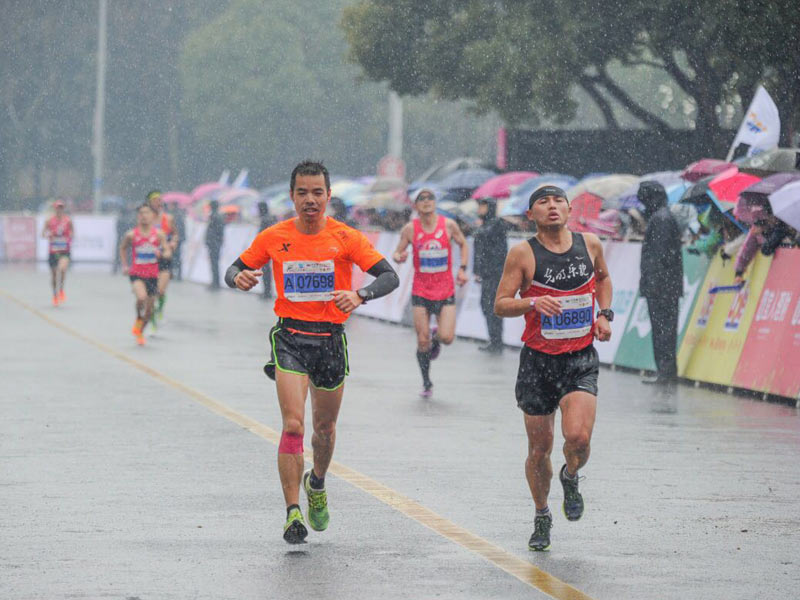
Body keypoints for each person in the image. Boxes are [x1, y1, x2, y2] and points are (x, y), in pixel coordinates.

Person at [224, 160, 399, 544]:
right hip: (289, 338)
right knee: (293, 425)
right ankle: (292, 513)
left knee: (324, 429)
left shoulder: (346, 237)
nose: (309, 200)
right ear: (292, 196)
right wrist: (239, 277)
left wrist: (360, 294)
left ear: (328, 196)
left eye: (317, 192)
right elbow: (234, 269)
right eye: (302, 192)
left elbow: (389, 276)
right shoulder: (274, 236)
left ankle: (316, 482)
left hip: (330, 340)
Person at [494, 185, 613, 552]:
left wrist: (604, 315)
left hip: (579, 358)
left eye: (558, 200)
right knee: (539, 448)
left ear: (569, 208)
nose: (551, 207)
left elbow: (604, 279)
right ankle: (542, 513)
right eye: (542, 203)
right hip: (538, 363)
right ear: (531, 214)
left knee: (578, 439)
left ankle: (571, 475)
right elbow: (500, 304)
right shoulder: (522, 254)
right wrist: (531, 303)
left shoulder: (590, 244)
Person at [392, 188, 469, 397]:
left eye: (430, 198)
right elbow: (397, 251)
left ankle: (437, 339)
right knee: (422, 340)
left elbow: (463, 244)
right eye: (421, 199)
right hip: (421, 290)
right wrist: (399, 256)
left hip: (445, 290)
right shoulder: (410, 229)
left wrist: (462, 269)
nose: (426, 202)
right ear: (416, 206)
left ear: (435, 203)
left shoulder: (449, 225)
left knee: (447, 338)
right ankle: (427, 382)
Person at [638, 181, 683, 385]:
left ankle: (666, 372)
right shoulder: (661, 217)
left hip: (662, 287)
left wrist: (653, 283)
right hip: (662, 285)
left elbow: (660, 255)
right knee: (663, 329)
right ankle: (664, 371)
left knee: (663, 329)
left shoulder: (661, 219)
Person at [119, 203, 172, 345]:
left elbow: (167, 251)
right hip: (137, 274)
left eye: (147, 213)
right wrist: (125, 265)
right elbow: (123, 248)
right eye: (141, 213)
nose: (144, 216)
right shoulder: (131, 235)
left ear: (152, 217)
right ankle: (138, 317)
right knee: (141, 298)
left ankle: (141, 331)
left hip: (152, 275)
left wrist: (162, 253)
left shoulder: (159, 235)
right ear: (138, 217)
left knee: (149, 310)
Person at [473, 197, 509, 353]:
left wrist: (478, 229)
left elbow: (485, 235)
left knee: (493, 307)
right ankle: (493, 339)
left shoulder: (496, 223)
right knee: (486, 306)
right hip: (487, 274)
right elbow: (479, 250)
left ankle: (497, 341)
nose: (480, 209)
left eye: (483, 206)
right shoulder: (485, 225)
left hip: (496, 274)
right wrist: (477, 270)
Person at [146, 190, 178, 324]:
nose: (158, 203)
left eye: (160, 200)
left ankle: (160, 310)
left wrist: (173, 243)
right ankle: (152, 320)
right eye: (155, 200)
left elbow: (175, 234)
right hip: (149, 260)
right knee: (150, 294)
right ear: (149, 203)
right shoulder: (145, 218)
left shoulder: (168, 218)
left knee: (160, 290)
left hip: (165, 259)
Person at [42, 198, 73, 306]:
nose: (59, 210)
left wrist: (69, 237)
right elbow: (43, 234)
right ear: (55, 209)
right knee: (54, 275)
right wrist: (49, 235)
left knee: (62, 269)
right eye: (57, 208)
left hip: (64, 250)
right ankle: (55, 294)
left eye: (61, 208)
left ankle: (61, 290)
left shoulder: (68, 220)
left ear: (63, 209)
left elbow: (72, 233)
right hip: (53, 251)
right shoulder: (49, 221)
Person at [258, 200, 277, 299]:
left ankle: (267, 291)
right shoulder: (270, 218)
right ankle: (267, 291)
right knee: (267, 270)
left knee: (266, 271)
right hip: (270, 247)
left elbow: (263, 235)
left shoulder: (265, 219)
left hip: (266, 248)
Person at [205, 200, 225, 289]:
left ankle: (215, 283)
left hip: (214, 243)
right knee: (214, 263)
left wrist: (211, 241)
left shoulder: (215, 216)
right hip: (215, 243)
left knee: (214, 263)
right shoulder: (217, 216)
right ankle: (215, 282)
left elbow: (215, 231)